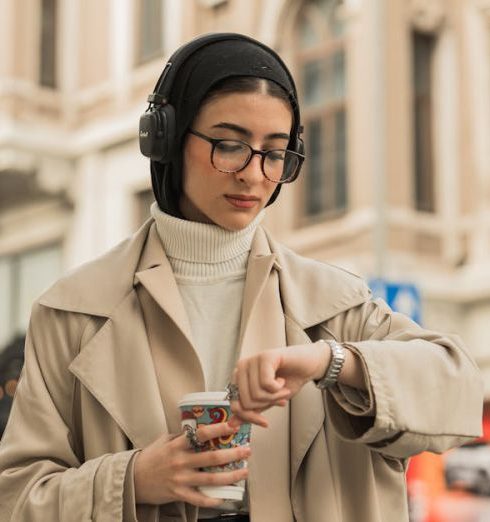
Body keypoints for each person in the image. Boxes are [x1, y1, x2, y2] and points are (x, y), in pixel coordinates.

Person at [0, 32, 483, 522]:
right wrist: (134, 479)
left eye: (274, 153)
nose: (253, 175)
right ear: (165, 138)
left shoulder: (335, 305)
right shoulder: (74, 311)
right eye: (230, 145)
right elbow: (15, 498)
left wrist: (334, 362)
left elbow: (459, 392)